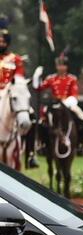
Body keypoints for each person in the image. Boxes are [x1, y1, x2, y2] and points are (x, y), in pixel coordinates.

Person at [34, 52, 83, 156]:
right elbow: (38, 88)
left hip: (68, 103)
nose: (61, 67)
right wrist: (37, 76)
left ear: (67, 67)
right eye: (59, 65)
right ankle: (42, 144)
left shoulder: (72, 79)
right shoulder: (51, 78)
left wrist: (67, 102)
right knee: (41, 121)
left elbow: (74, 94)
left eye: (63, 65)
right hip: (54, 104)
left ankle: (80, 145)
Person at [0, 18, 37, 168]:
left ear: (7, 43)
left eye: (3, 41)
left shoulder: (16, 59)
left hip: (10, 94)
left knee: (31, 116)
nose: (1, 44)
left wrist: (11, 87)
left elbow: (19, 78)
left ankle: (30, 154)